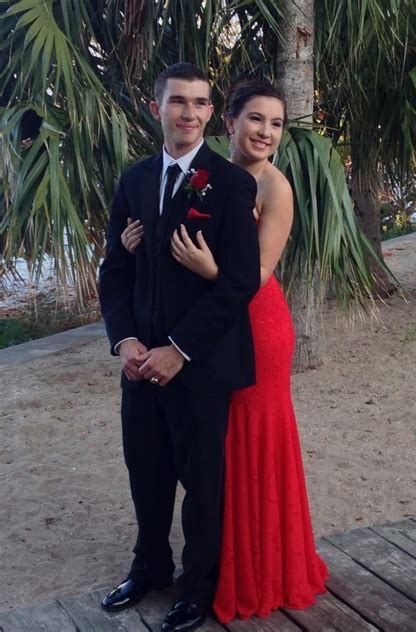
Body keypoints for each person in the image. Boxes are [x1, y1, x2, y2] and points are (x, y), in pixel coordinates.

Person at [121, 80, 328, 623]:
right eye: (255, 119)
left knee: (242, 450)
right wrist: (133, 249)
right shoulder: (205, 174)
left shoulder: (271, 188)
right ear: (229, 121)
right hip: (197, 326)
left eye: (276, 123)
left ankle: (244, 568)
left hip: (254, 321)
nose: (265, 132)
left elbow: (251, 276)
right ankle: (190, 567)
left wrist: (210, 271)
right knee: (212, 457)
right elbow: (154, 251)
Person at [98, 63, 260, 632]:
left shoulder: (232, 184)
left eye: (199, 103)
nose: (188, 113)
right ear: (156, 107)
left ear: (211, 114)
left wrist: (178, 349)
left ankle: (196, 589)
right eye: (177, 102)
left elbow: (239, 282)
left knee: (202, 487)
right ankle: (150, 569)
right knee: (146, 474)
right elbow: (114, 271)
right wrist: (126, 342)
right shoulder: (135, 180)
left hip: (200, 368)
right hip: (139, 366)